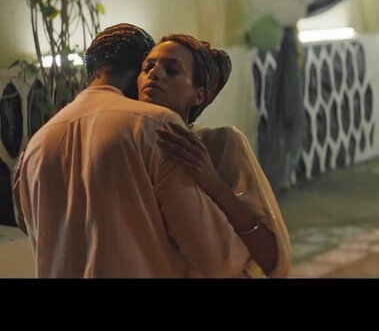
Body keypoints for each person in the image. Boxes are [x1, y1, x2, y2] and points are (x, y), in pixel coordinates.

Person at [12, 23, 253, 277]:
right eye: (149, 67)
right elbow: (214, 258)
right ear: (139, 70)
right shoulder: (156, 126)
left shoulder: (38, 143)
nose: (154, 76)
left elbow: (36, 233)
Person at [137, 36, 291, 277]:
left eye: (172, 70)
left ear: (198, 95)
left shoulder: (220, 143)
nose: (154, 74)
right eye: (148, 67)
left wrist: (213, 184)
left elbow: (272, 259)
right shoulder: (126, 143)